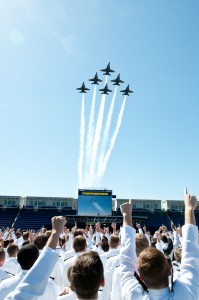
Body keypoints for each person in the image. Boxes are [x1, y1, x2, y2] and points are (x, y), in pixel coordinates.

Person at [120, 188, 199, 300]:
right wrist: (189, 209)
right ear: (169, 270)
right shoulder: (185, 294)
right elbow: (191, 257)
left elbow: (126, 262)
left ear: (140, 276)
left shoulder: (132, 295)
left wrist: (126, 215)